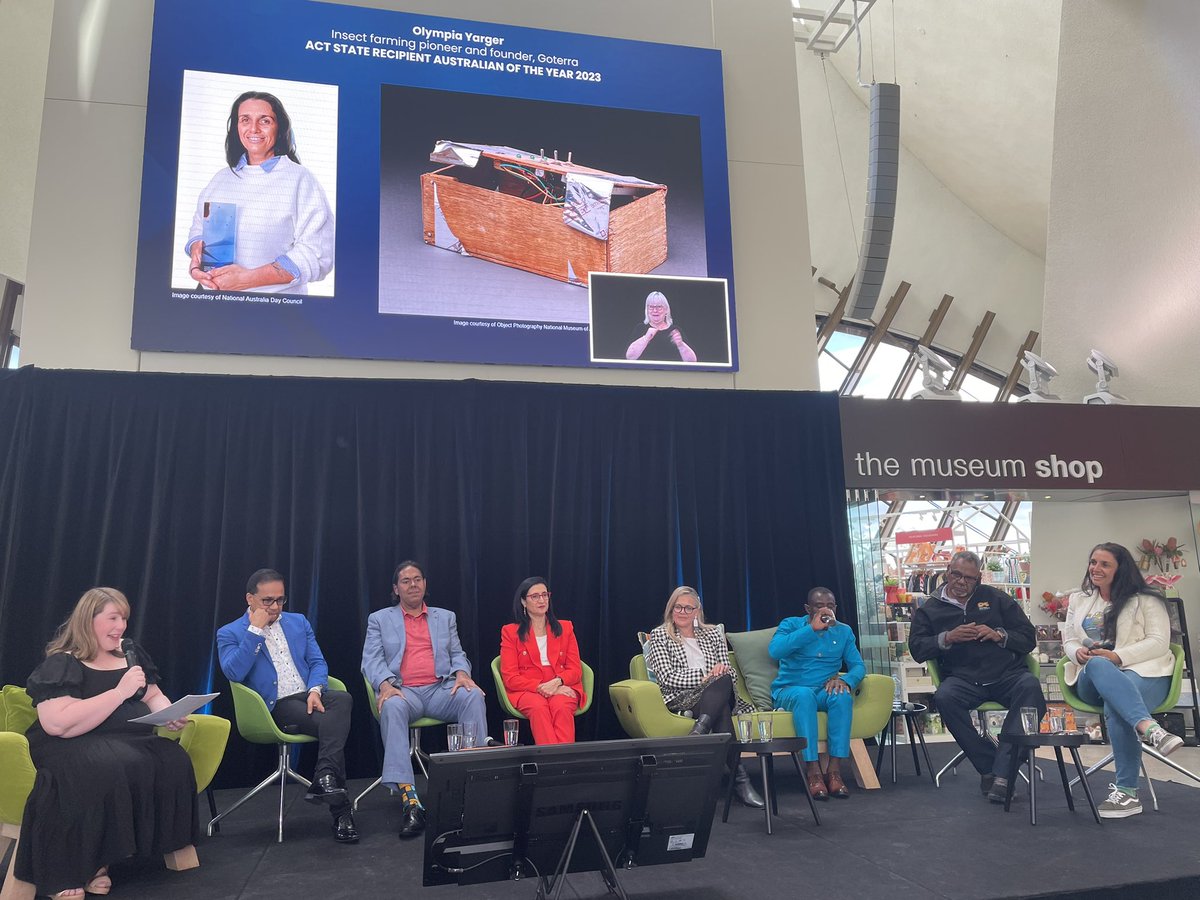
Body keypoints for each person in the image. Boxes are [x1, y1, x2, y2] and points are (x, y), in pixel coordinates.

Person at [15, 588, 197, 899]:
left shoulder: (130, 654)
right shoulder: (64, 662)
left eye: (124, 618)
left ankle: (141, 849)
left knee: (171, 756)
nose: (121, 626)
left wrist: (166, 713)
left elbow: (152, 694)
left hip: (126, 739)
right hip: (67, 744)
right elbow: (58, 724)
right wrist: (119, 692)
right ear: (89, 620)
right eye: (113, 618)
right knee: (103, 764)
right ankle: (83, 865)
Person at [217, 568, 357, 842]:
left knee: (343, 699)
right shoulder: (230, 632)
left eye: (280, 600)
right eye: (267, 600)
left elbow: (317, 662)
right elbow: (234, 672)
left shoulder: (298, 622)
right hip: (275, 706)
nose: (275, 607)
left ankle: (325, 777)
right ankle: (341, 812)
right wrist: (255, 630)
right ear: (250, 599)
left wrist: (316, 690)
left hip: (308, 696)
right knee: (333, 726)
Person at [361, 560, 489, 839]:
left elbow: (457, 653)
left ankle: (471, 791)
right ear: (396, 589)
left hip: (440, 689)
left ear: (425, 584)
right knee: (392, 706)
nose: (413, 585)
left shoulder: (445, 617)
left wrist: (463, 673)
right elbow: (371, 660)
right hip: (403, 691)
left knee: (473, 696)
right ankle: (411, 802)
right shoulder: (380, 619)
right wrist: (384, 684)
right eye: (406, 581)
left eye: (417, 579)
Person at [908, 550, 1045, 804]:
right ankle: (993, 768)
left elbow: (1028, 637)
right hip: (963, 679)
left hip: (1006, 675)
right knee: (945, 697)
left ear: (979, 578)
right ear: (948, 571)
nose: (961, 582)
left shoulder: (996, 599)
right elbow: (917, 649)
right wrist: (947, 638)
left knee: (1030, 687)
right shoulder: (931, 609)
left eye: (969, 578)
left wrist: (1000, 635)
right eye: (956, 575)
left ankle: (1001, 775)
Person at [1060, 542, 1182, 818]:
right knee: (1100, 664)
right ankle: (1150, 729)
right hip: (1090, 677)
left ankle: (1127, 795)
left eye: (1104, 564)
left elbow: (1160, 643)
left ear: (1120, 569)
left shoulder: (1147, 599)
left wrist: (1118, 657)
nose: (1095, 568)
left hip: (1145, 672)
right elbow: (1068, 639)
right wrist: (1076, 652)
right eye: (1093, 562)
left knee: (1117, 705)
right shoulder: (1079, 600)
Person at [185, 90, 334, 294]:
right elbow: (199, 230)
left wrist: (246, 280)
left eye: (264, 121)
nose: (253, 129)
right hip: (213, 304)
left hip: (274, 311)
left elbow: (317, 254)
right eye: (245, 120)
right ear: (236, 127)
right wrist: (197, 257)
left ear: (279, 127)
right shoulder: (221, 179)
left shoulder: (300, 180)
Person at [644, 586, 764, 808]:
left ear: (697, 610)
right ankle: (740, 781)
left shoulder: (712, 634)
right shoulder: (660, 635)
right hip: (682, 696)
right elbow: (666, 677)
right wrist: (704, 676)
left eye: (688, 608)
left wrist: (718, 674)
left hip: (717, 691)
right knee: (722, 711)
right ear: (671, 609)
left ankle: (698, 735)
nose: (683, 611)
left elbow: (729, 672)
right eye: (678, 606)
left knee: (724, 679)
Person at [769, 587, 864, 800]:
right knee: (804, 695)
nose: (825, 610)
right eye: (819, 606)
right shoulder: (791, 625)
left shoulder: (843, 631)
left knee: (841, 696)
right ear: (808, 608)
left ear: (836, 608)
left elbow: (858, 666)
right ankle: (813, 771)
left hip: (824, 690)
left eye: (830, 606)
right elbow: (775, 651)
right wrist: (811, 629)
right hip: (790, 690)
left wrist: (845, 680)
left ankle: (834, 771)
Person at [500, 577, 585, 744]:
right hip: (527, 688)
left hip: (562, 684)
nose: (542, 600)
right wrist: (541, 687)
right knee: (538, 707)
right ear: (523, 601)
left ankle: (564, 763)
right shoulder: (510, 632)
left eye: (545, 595)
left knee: (561, 705)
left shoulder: (565, 628)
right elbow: (510, 678)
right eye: (535, 596)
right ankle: (551, 763)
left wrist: (557, 683)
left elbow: (575, 669)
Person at [625, 291, 698, 362]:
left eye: (659, 307)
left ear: (666, 310)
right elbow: (630, 357)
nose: (655, 310)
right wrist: (645, 338)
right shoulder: (640, 328)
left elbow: (692, 361)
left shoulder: (675, 330)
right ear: (647, 310)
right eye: (651, 307)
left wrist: (681, 345)